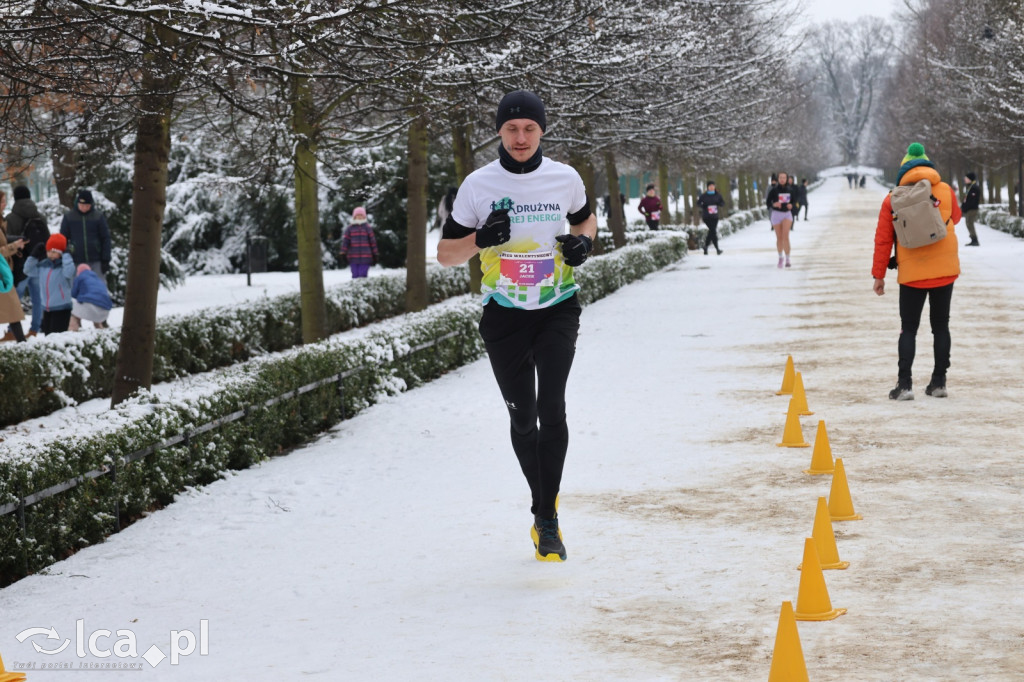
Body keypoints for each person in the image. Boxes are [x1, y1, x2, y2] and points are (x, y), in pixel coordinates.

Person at [436, 90, 597, 563]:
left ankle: (546, 519)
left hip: (557, 307)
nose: (521, 137)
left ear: (542, 130)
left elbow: (587, 223)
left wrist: (583, 246)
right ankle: (542, 504)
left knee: (552, 406)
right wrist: (480, 238)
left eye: (529, 128)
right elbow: (445, 255)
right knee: (523, 417)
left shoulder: (564, 178)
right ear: (499, 132)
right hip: (504, 312)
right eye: (511, 129)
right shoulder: (477, 185)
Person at [872, 142, 961, 401]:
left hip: (912, 274)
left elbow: (883, 240)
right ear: (927, 163)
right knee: (941, 325)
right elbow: (955, 217)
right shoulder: (945, 190)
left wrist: (879, 275)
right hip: (945, 270)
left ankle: (904, 384)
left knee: (908, 328)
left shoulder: (892, 198)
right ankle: (939, 382)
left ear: (904, 168)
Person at [5, 185, 49, 336]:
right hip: (37, 262)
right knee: (38, 297)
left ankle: (13, 331)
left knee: (15, 299)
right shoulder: (40, 217)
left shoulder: (10, 218)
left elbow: (7, 242)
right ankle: (35, 329)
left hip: (20, 265)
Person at [24, 233, 76, 334]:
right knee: (48, 337)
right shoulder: (44, 265)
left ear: (61, 253)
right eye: (48, 251)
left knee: (57, 338)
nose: (51, 254)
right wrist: (33, 256)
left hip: (62, 308)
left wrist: (67, 255)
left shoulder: (64, 266)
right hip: (47, 308)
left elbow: (69, 272)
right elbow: (28, 270)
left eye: (54, 251)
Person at [59, 189, 111, 283]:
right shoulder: (69, 217)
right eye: (81, 205)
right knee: (76, 287)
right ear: (77, 203)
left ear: (91, 205)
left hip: (96, 260)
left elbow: (105, 238)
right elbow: (63, 238)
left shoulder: (98, 217)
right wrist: (65, 255)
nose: (84, 207)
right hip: (76, 260)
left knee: (98, 286)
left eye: (86, 205)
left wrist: (105, 259)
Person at [0, 191, 27, 342]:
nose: (5, 204)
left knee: (12, 311)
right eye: (2, 201)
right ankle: (22, 343)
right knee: (13, 310)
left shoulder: (2, 220)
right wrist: (13, 246)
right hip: (2, 274)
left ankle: (22, 342)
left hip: (4, 272)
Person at [69, 264, 113, 330]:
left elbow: (74, 294)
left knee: (71, 303)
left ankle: (72, 329)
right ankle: (99, 330)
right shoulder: (98, 279)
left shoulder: (80, 278)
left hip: (90, 308)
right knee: (93, 302)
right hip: (105, 312)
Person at [338, 206, 378, 278]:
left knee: (362, 275)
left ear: (364, 217)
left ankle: (362, 287)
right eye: (358, 215)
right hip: (353, 257)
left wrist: (375, 254)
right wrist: (343, 252)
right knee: (355, 275)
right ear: (354, 217)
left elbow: (373, 242)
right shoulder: (350, 228)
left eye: (361, 215)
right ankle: (356, 288)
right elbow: (346, 241)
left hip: (366, 257)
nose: (359, 217)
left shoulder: (367, 228)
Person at [766, 171, 795, 268]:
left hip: (786, 214)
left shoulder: (790, 190)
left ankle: (787, 258)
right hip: (776, 214)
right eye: (780, 177)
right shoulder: (773, 190)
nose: (782, 179)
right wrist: (774, 204)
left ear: (787, 179)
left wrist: (792, 205)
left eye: (784, 177)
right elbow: (768, 202)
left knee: (785, 236)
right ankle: (780, 257)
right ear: (778, 179)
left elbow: (795, 202)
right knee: (779, 238)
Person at [696, 180, 725, 255]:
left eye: (713, 186)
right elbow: (698, 203)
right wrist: (704, 206)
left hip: (715, 216)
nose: (712, 187)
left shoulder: (718, 195)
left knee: (712, 231)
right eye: (710, 186)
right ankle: (717, 249)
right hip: (707, 216)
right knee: (713, 231)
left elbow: (722, 202)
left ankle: (706, 247)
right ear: (708, 187)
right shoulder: (704, 195)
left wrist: (719, 204)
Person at [960, 172, 981, 246]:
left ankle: (974, 239)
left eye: (966, 178)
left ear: (970, 179)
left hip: (972, 209)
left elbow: (972, 201)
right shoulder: (970, 187)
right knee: (968, 223)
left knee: (970, 223)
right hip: (969, 209)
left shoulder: (974, 188)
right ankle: (973, 238)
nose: (965, 180)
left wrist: (965, 207)